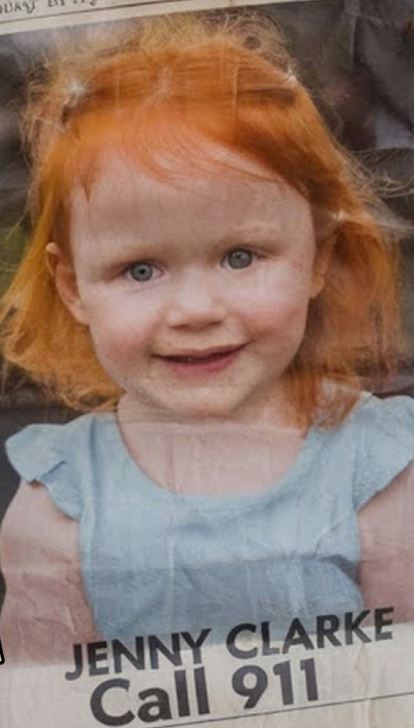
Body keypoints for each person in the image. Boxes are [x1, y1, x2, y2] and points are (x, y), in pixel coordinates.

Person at [0, 10, 413, 665]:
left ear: (320, 257)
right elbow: (46, 698)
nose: (195, 310)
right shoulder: (58, 507)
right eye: (140, 270)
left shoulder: (380, 471)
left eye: (241, 257)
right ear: (73, 286)